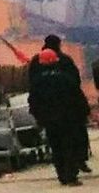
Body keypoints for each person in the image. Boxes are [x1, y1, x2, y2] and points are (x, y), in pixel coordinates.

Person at [29, 35, 91, 185]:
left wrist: (38, 117)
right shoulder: (65, 76)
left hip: (49, 120)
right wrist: (84, 112)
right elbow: (76, 94)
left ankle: (62, 175)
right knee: (68, 145)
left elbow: (33, 100)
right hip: (68, 119)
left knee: (56, 147)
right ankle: (71, 175)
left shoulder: (37, 80)